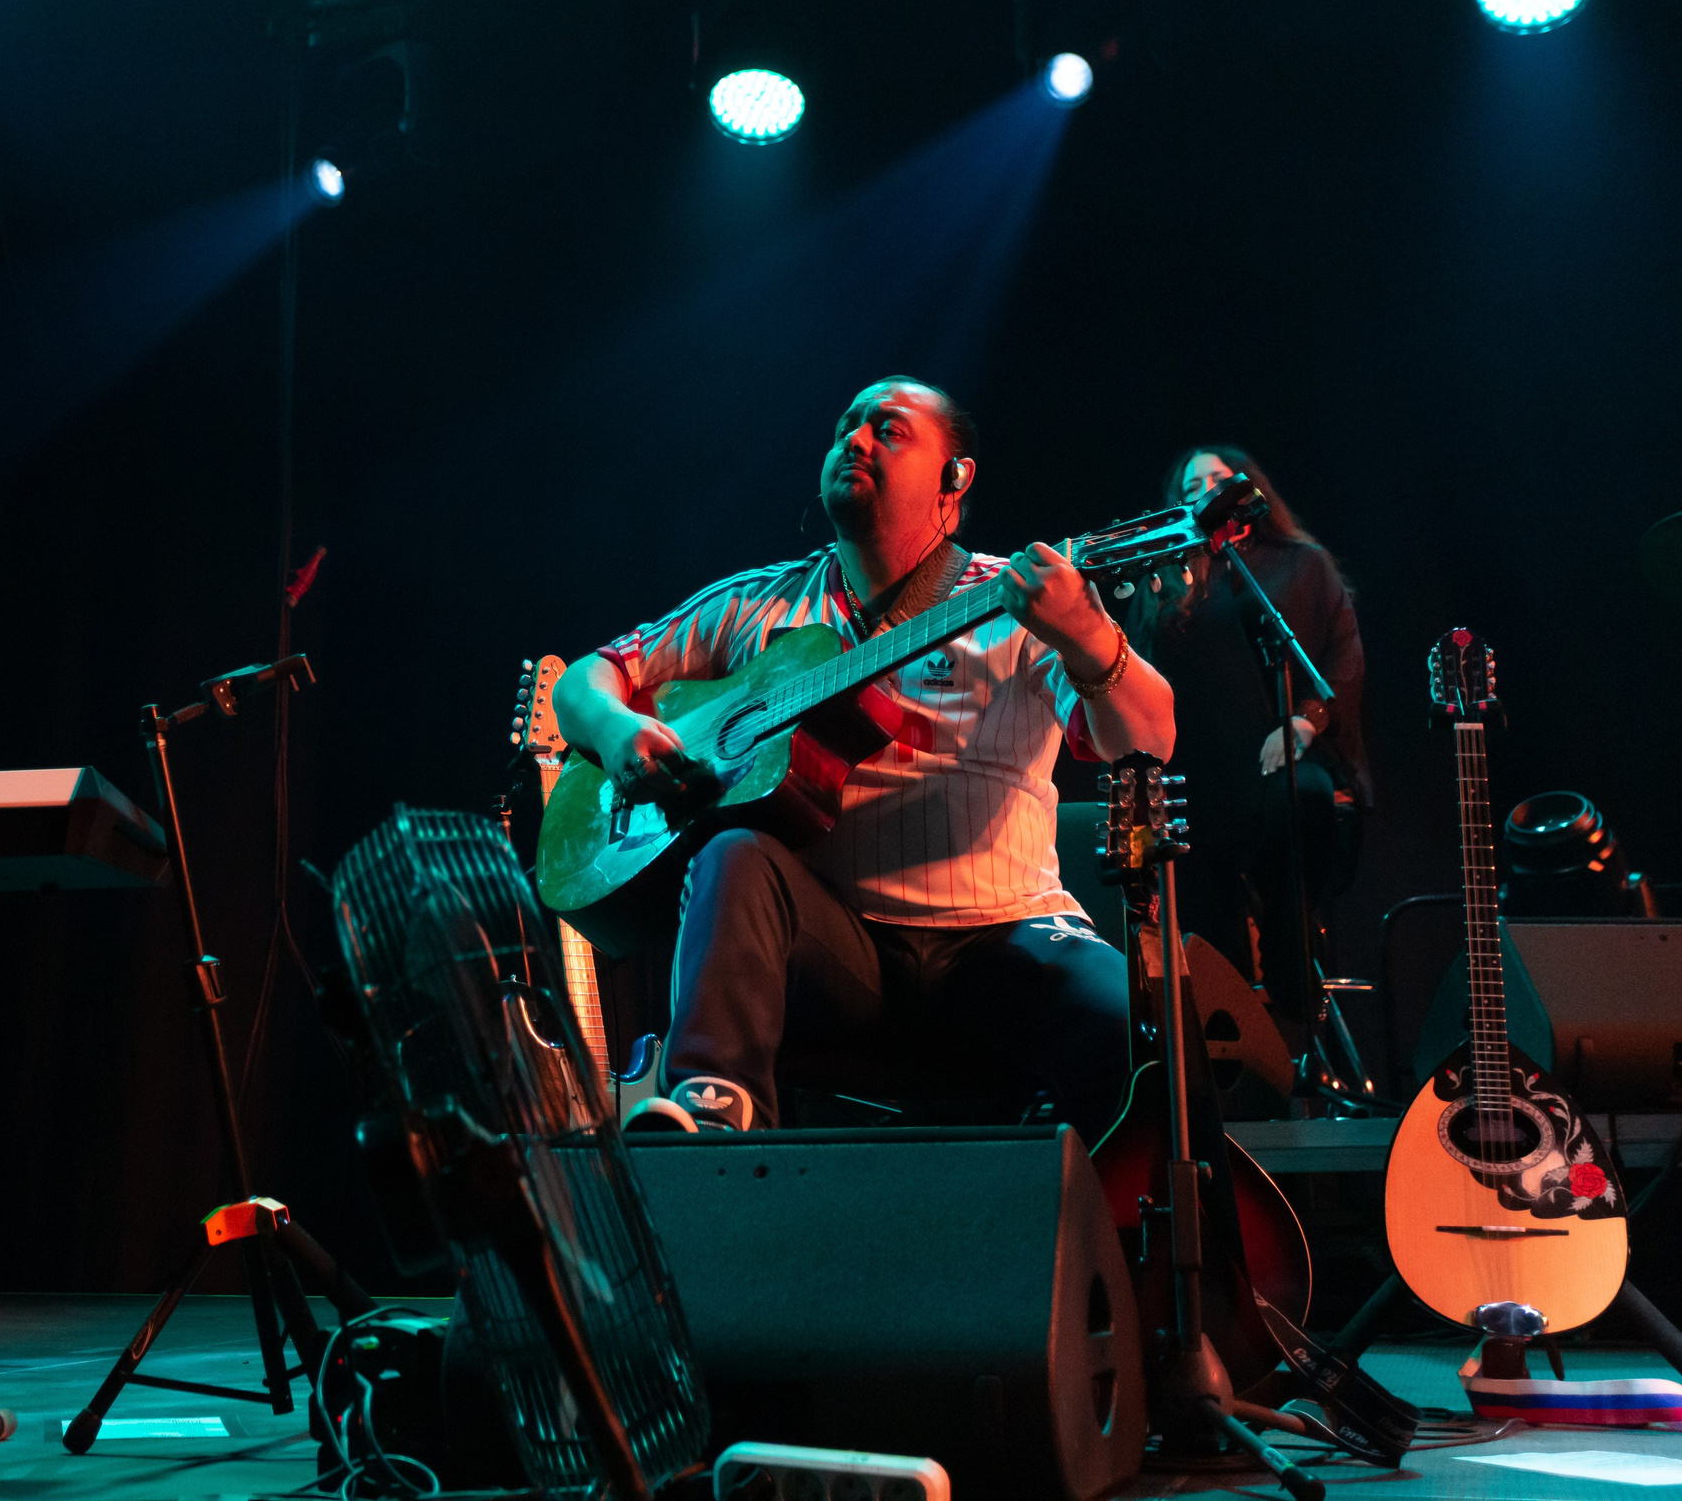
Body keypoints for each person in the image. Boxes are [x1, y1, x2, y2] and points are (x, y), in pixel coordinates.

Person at [552, 376, 1175, 1136]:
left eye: (890, 429)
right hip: (836, 955)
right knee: (734, 851)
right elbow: (585, 680)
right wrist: (618, 732)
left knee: (1147, 1034)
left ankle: (1107, 1234)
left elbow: (1148, 739)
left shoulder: (1017, 599)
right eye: (848, 424)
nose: (856, 439)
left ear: (956, 477)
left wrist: (1087, 634)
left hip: (1005, 937)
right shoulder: (760, 602)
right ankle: (713, 1117)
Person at [1126, 445, 1367, 1040]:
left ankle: (1294, 993)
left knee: (1302, 802)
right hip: (1197, 768)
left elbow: (1342, 655)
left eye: (1218, 480)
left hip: (1279, 758)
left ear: (1247, 490)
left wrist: (1307, 720)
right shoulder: (1166, 578)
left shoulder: (1299, 563)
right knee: (1197, 875)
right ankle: (1232, 1034)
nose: (1205, 492)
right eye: (1191, 487)